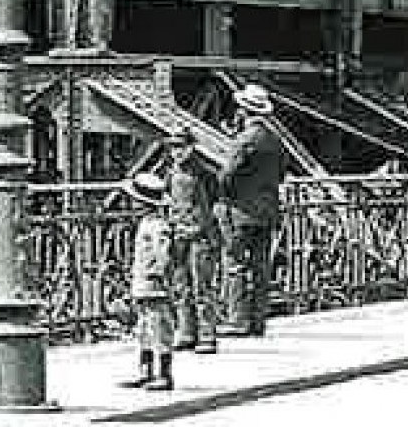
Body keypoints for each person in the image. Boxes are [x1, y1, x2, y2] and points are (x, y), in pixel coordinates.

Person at [219, 82, 286, 336]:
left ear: (243, 111)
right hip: (267, 211)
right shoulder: (274, 139)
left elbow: (228, 174)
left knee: (235, 264)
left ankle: (236, 319)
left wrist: (223, 194)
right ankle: (258, 321)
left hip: (240, 210)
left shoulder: (245, 139)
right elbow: (281, 173)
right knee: (260, 267)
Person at [164, 124, 221, 352]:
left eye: (181, 147)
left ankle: (207, 334)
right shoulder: (170, 173)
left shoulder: (204, 173)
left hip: (200, 235)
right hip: (178, 233)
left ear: (191, 148)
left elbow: (213, 202)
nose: (177, 152)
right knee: (181, 286)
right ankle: (186, 331)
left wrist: (206, 229)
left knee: (202, 286)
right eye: (173, 148)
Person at [122, 169, 176, 391]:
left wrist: (160, 274)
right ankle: (146, 370)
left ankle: (164, 374)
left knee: (158, 327)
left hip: (153, 283)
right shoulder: (148, 223)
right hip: (143, 282)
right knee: (144, 327)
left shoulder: (156, 225)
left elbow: (163, 253)